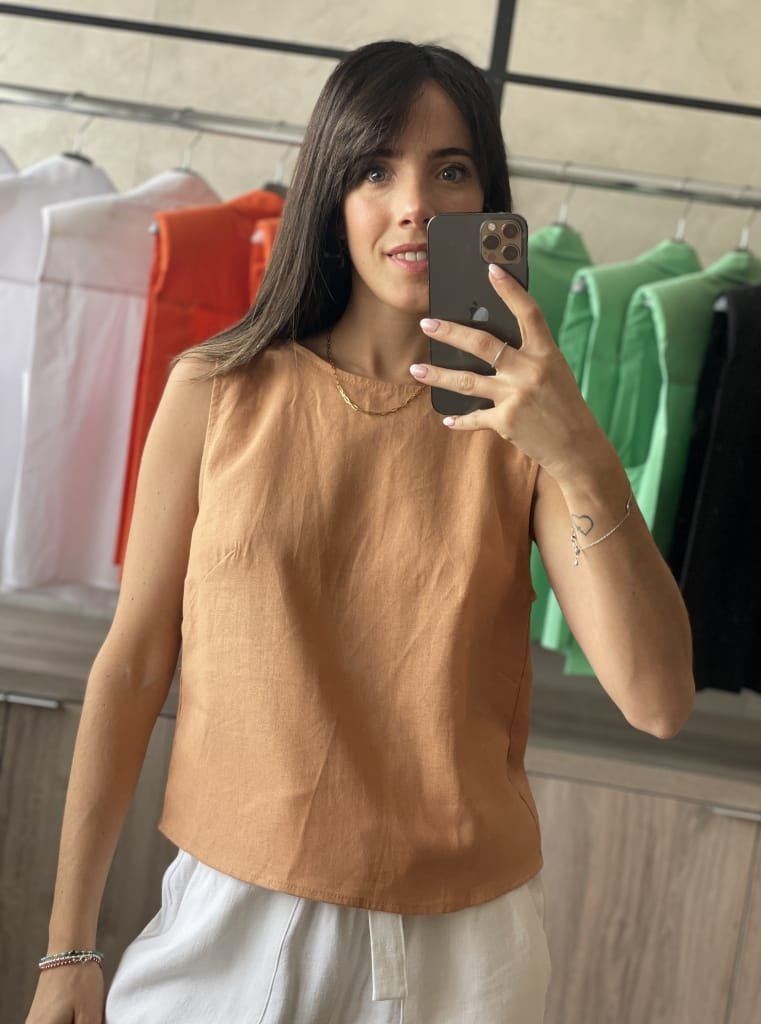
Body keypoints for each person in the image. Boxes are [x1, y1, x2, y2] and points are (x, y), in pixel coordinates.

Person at [26, 39, 695, 1024]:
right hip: (233, 919)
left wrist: (582, 452)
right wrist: (68, 948)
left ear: (488, 201)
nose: (414, 202)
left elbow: (659, 700)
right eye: (376, 170)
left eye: (450, 170)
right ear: (331, 196)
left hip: (466, 949)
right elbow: (132, 666)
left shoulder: (524, 426)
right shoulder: (216, 392)